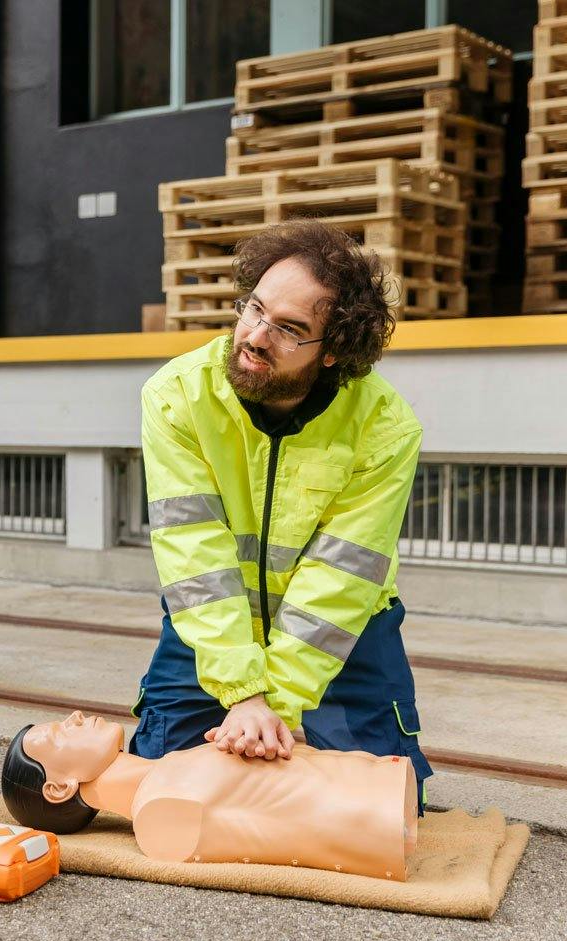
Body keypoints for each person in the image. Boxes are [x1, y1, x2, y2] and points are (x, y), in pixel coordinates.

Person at [132, 219, 432, 805]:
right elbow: (195, 555)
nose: (256, 335)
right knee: (149, 786)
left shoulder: (385, 428)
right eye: (254, 308)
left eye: (289, 328)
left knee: (393, 807)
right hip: (214, 618)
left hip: (344, 629)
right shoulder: (175, 396)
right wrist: (243, 694)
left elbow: (342, 576)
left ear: (333, 352)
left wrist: (274, 705)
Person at [3, 713, 418, 881]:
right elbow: (288, 827)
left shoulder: (166, 773)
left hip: (382, 783)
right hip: (377, 817)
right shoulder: (158, 816)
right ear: (59, 788)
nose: (74, 717)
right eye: (59, 734)